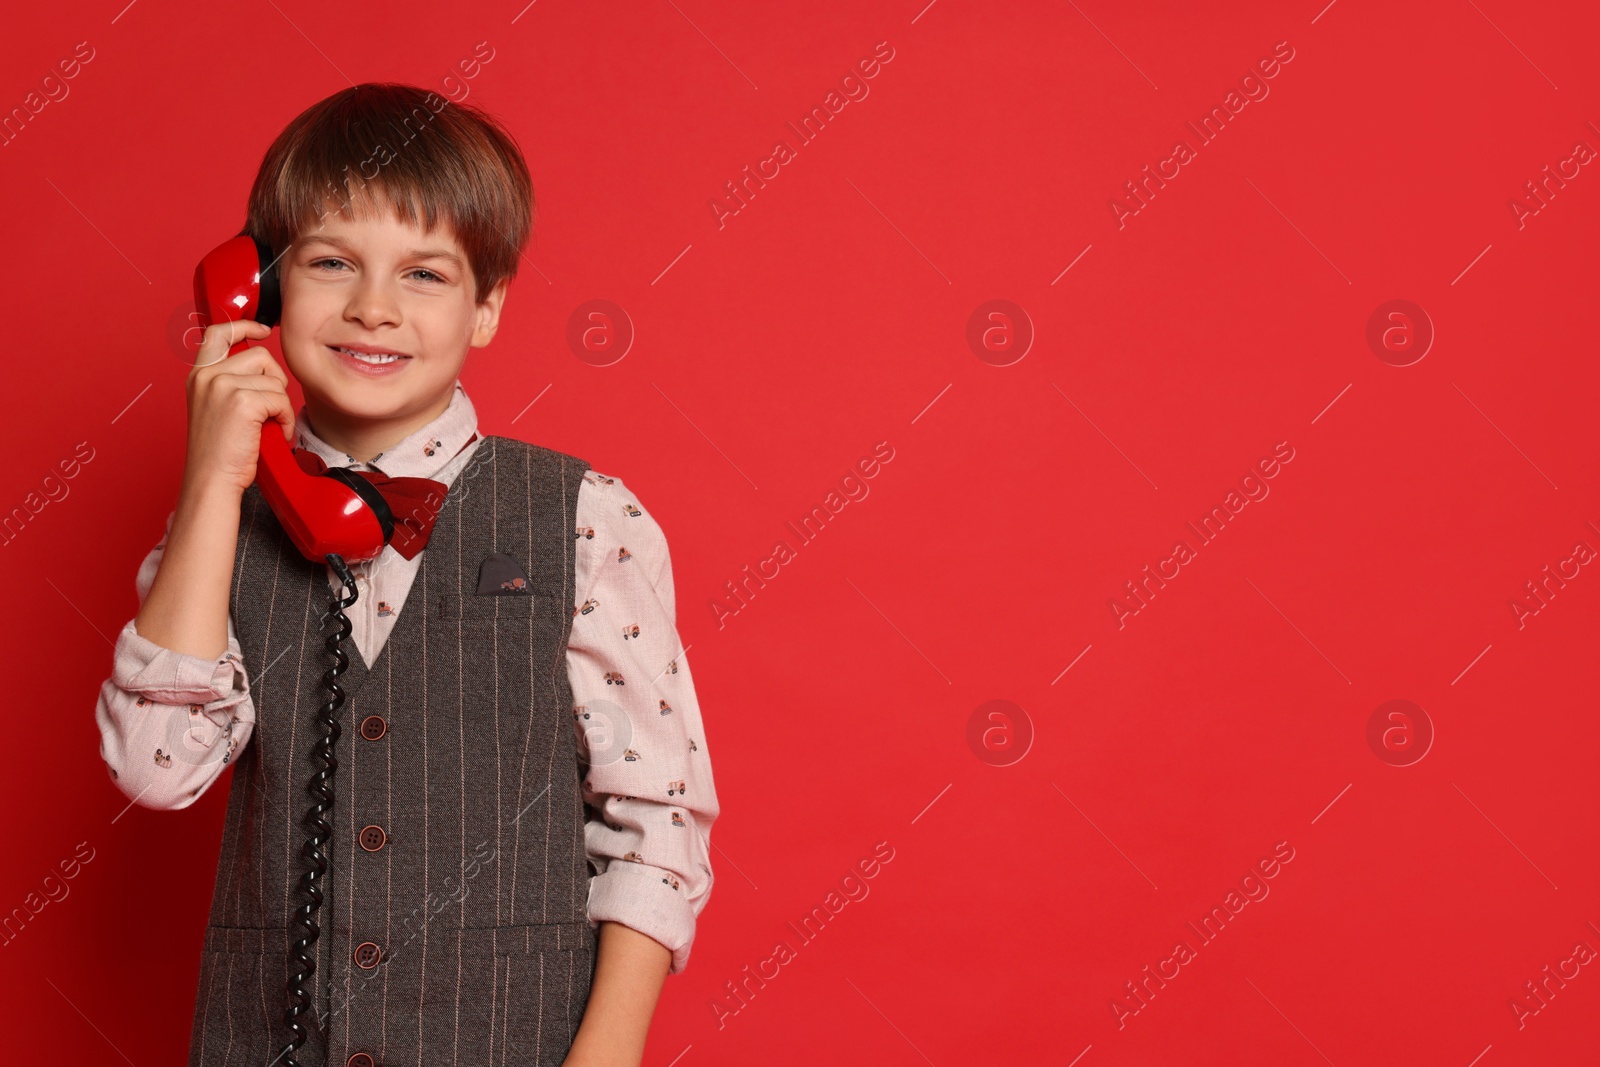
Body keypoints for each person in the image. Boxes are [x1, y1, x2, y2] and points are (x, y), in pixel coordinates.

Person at [93, 82, 718, 1067]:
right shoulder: (215, 528)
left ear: (487, 307)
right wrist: (217, 477)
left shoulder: (588, 518)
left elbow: (657, 822)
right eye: (332, 262)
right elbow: (155, 766)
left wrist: (605, 1055)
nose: (372, 307)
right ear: (256, 288)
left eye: (423, 274)